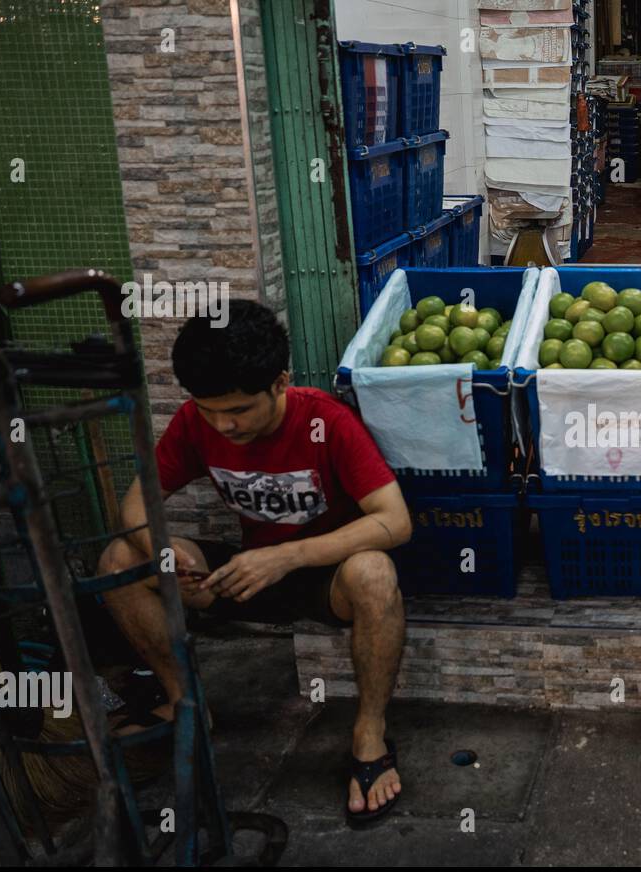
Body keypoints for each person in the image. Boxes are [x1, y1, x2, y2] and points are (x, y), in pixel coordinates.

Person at [98, 300, 412, 828]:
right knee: (117, 557)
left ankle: (369, 735)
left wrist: (285, 557)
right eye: (209, 409)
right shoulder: (196, 423)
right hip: (241, 575)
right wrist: (163, 550)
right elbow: (136, 503)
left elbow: (394, 520)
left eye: (239, 410)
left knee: (374, 571)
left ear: (280, 382)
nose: (224, 424)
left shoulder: (325, 421)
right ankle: (186, 703)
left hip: (320, 576)